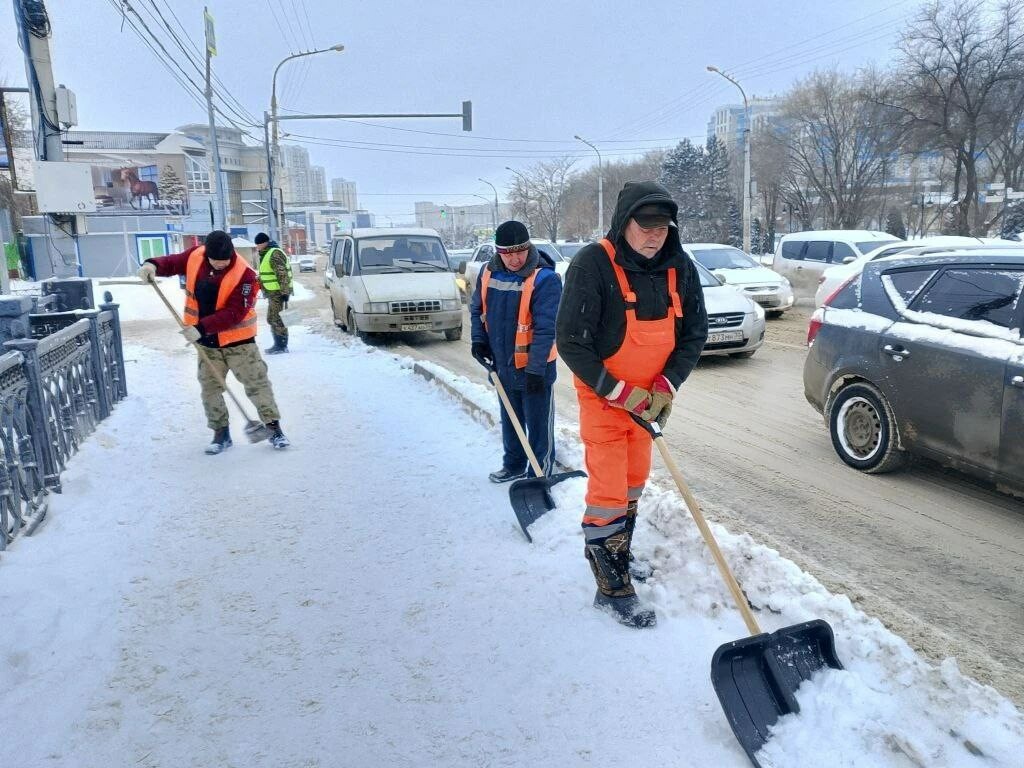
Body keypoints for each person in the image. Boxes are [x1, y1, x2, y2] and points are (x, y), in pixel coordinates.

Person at [555, 181, 708, 628]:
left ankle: (616, 554)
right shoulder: (592, 265)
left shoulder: (680, 268)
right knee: (607, 494)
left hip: (650, 400)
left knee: (635, 482)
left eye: (662, 225)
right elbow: (571, 342)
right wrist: (621, 393)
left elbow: (694, 334)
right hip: (604, 395)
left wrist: (666, 385)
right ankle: (612, 589)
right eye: (645, 224)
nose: (654, 234)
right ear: (625, 223)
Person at [138, 230, 290, 453]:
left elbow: (235, 312)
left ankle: (274, 429)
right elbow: (173, 263)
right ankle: (221, 434)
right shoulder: (195, 256)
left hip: (240, 343)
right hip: (207, 344)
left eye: (225, 261)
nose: (220, 265)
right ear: (207, 254)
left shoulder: (245, 275)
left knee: (257, 385)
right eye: (215, 261)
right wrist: (153, 265)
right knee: (210, 389)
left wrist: (200, 328)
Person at [470, 220, 561, 482]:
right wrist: (479, 342)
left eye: (519, 252)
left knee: (539, 426)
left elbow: (546, 329)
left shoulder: (545, 279)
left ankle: (539, 473)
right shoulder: (488, 273)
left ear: (528, 247)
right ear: (498, 252)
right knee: (510, 420)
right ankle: (513, 465)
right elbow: (477, 310)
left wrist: (535, 370)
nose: (514, 259)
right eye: (507, 253)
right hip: (502, 365)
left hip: (535, 369)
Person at [254, 232, 293, 354]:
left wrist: (285, 292)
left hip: (278, 293)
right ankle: (278, 343)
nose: (257, 247)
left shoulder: (274, 253)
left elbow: (282, 274)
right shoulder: (267, 253)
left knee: (277, 318)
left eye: (258, 244)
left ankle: (281, 345)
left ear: (264, 243)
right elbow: (269, 273)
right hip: (272, 292)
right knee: (272, 318)